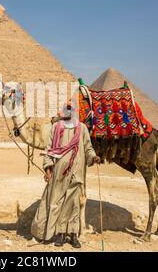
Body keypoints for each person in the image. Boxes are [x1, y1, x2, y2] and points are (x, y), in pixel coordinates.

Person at [31, 104, 100, 248]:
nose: (68, 111)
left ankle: (73, 235)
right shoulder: (56, 128)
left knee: (74, 203)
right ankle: (60, 234)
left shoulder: (82, 128)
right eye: (66, 109)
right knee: (58, 202)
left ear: (74, 111)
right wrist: (48, 168)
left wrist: (93, 157)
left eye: (70, 108)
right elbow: (49, 148)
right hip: (59, 172)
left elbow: (88, 147)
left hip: (77, 170)